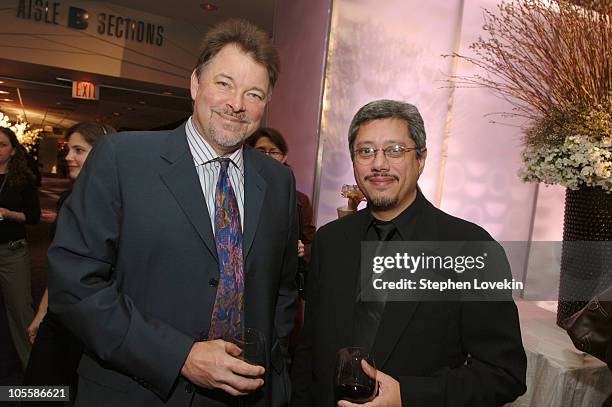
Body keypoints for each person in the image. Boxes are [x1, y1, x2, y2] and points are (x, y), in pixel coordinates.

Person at [47, 19, 297, 407]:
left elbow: (280, 290)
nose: (237, 104)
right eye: (224, 84)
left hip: (247, 394)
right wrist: (179, 355)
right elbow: (75, 286)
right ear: (196, 84)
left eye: (254, 94)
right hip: (139, 391)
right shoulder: (122, 159)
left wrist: (271, 365)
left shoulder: (278, 181)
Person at [291, 100, 527, 407]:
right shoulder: (330, 241)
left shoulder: (471, 248)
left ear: (421, 159)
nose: (379, 164)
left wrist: (407, 396)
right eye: (366, 151)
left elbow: (503, 374)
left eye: (394, 150)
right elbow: (309, 352)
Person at [23, 122, 115, 405]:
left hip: (91, 319)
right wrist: (42, 311)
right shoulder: (69, 198)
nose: (67, 157)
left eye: (79, 150)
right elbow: (62, 264)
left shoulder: (119, 203)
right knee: (38, 390)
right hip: (60, 314)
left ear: (103, 154)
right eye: (69, 149)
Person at [0, 126, 40, 370]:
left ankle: (34, 370)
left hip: (12, 252)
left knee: (20, 310)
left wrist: (8, 214)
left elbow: (34, 217)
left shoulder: (22, 180)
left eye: (2, 144)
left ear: (13, 151)